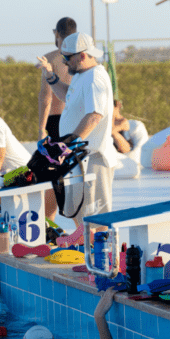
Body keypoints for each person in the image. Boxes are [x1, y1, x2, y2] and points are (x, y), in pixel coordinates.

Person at [36, 32, 119, 222]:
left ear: (82, 55)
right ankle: (84, 246)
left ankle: (98, 250)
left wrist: (69, 143)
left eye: (66, 58)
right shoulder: (82, 74)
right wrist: (50, 76)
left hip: (94, 157)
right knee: (76, 209)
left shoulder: (95, 78)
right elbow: (68, 96)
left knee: (96, 216)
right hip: (79, 157)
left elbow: (94, 116)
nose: (64, 62)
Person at [37, 18, 78, 141]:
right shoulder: (83, 58)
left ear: (56, 33)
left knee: (58, 159)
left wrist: (41, 129)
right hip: (79, 117)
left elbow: (46, 96)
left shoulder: (50, 59)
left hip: (57, 119)